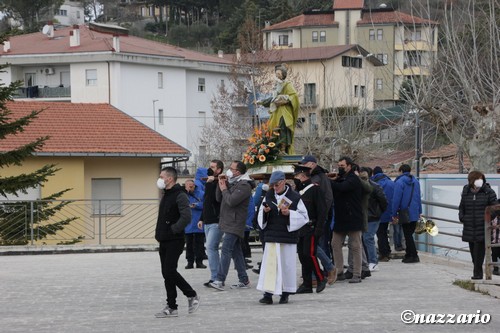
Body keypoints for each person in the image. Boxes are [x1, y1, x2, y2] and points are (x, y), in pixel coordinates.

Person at [257, 170, 309, 304]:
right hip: (272, 235)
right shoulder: (269, 195)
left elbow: (304, 217)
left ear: (284, 181)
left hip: (287, 237)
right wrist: (265, 211)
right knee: (270, 265)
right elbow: (260, 216)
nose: (275, 188)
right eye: (273, 185)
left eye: (277, 185)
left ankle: (285, 293)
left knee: (286, 265)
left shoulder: (295, 197)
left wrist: (289, 214)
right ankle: (268, 294)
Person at [154, 167, 199, 318]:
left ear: (169, 179)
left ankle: (191, 295)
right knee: (166, 273)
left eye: (162, 176)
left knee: (169, 271)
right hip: (164, 239)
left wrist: (173, 230)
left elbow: (186, 217)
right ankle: (172, 306)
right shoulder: (166, 194)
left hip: (175, 239)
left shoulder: (180, 195)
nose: (159, 179)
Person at [209, 161, 254, 291]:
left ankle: (219, 280)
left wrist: (224, 189)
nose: (228, 170)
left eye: (231, 168)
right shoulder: (234, 182)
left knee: (226, 250)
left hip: (235, 223)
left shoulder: (244, 185)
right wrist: (221, 184)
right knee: (236, 251)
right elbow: (219, 198)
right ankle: (244, 280)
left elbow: (231, 201)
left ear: (238, 172)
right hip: (227, 221)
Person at [299, 155, 336, 284]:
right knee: (310, 247)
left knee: (317, 246)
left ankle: (328, 269)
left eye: (305, 164)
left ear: (313, 164)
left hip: (317, 218)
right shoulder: (311, 177)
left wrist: (322, 215)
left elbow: (327, 198)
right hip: (307, 218)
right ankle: (316, 273)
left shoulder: (321, 177)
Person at [293, 164, 328, 294]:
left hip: (311, 226)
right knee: (302, 255)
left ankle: (320, 277)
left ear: (302, 175)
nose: (295, 178)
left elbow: (322, 211)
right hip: (300, 228)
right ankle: (307, 283)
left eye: (296, 175)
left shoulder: (315, 190)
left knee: (310, 254)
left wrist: (319, 228)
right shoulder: (299, 190)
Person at [330, 156, 364, 283]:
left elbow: (342, 188)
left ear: (349, 166)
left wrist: (329, 181)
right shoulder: (341, 178)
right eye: (339, 165)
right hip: (340, 217)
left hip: (353, 217)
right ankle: (339, 271)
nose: (340, 168)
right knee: (335, 243)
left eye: (342, 166)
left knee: (355, 246)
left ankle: (357, 273)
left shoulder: (353, 179)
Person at [458, 171, 497, 279]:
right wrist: (462, 217)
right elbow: (461, 207)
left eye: (481, 178)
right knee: (473, 254)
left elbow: (495, 208)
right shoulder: (466, 191)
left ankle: (477, 275)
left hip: (482, 227)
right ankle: (477, 272)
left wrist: (486, 219)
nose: (480, 181)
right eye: (477, 179)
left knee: (479, 252)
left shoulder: (488, 192)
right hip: (469, 226)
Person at [258, 64, 299, 154]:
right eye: (276, 74)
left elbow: (294, 96)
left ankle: (283, 149)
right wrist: (260, 102)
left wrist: (285, 100)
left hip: (285, 112)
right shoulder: (276, 87)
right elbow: (272, 99)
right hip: (276, 112)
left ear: (283, 74)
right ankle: (275, 148)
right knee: (273, 129)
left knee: (283, 127)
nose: (277, 76)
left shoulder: (287, 85)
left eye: (279, 74)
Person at [198, 160, 224, 287]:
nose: (210, 169)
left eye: (213, 167)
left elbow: (215, 199)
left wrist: (210, 183)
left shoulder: (220, 183)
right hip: (208, 221)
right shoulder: (209, 184)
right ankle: (216, 277)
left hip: (216, 220)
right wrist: (201, 218)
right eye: (209, 166)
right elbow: (206, 202)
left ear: (219, 170)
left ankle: (217, 278)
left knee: (211, 247)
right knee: (211, 249)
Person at [391, 164, 422, 264]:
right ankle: (409, 254)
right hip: (414, 212)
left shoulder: (399, 182)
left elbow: (396, 199)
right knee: (409, 234)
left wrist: (394, 213)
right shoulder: (416, 181)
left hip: (405, 212)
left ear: (401, 171)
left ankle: (414, 255)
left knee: (407, 235)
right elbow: (418, 198)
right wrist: (419, 211)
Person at [360, 167, 387, 272]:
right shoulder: (360, 186)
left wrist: (378, 212)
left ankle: (373, 262)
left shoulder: (375, 187)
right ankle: (367, 261)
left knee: (368, 238)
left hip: (372, 217)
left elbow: (383, 201)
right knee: (363, 239)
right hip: (363, 216)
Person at [371, 166, 395, 262]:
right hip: (389, 211)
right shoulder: (391, 183)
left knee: (380, 233)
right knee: (384, 232)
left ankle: (384, 254)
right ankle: (387, 250)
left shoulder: (374, 183)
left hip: (378, 211)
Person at [184, 178, 206, 269]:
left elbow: (206, 205)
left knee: (199, 243)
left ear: (194, 186)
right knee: (189, 244)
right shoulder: (183, 195)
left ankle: (199, 262)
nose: (190, 188)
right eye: (188, 186)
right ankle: (190, 262)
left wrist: (196, 205)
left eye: (191, 186)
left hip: (198, 222)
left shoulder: (201, 194)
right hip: (188, 223)